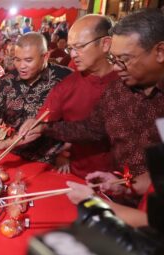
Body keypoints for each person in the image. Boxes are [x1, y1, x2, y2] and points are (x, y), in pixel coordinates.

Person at [20, 9, 164, 187]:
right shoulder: (117, 91)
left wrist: (133, 187)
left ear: (160, 52)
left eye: (124, 59)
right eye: (114, 59)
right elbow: (92, 128)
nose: (115, 68)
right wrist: (44, 127)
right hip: (120, 189)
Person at [0, 33, 72, 164]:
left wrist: (66, 151)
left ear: (45, 56)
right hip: (11, 155)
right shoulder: (6, 81)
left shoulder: (66, 79)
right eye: (17, 59)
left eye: (28, 60)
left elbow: (77, 121)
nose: (21, 66)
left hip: (50, 160)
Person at [32, 15, 117, 177]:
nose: (73, 55)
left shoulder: (129, 81)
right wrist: (60, 151)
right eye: (70, 48)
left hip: (126, 183)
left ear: (105, 44)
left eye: (79, 47)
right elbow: (44, 122)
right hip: (79, 176)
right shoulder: (67, 86)